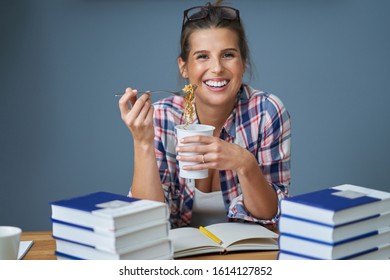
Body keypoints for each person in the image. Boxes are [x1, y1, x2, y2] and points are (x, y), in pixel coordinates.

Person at [118, 1, 291, 229]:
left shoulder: (266, 111)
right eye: (202, 56)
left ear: (243, 62)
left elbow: (271, 216)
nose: (217, 68)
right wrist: (142, 142)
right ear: (184, 67)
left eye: (228, 55)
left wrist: (245, 163)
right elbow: (145, 222)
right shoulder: (163, 116)